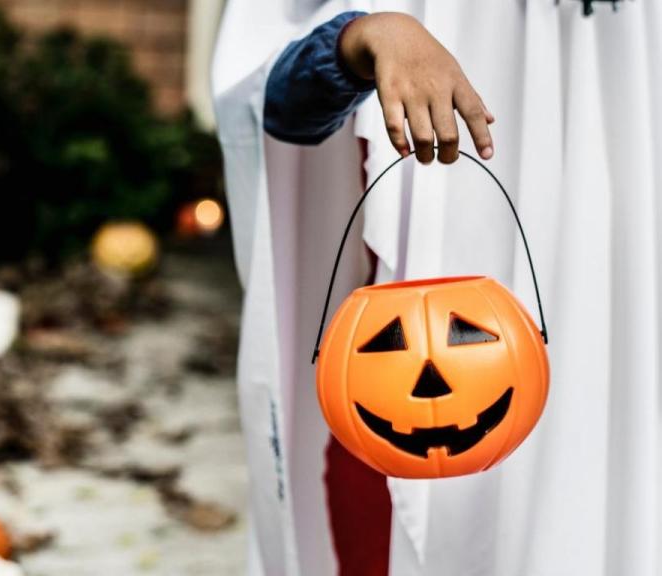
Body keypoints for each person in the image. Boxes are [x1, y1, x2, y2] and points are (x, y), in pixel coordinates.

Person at [212, 2, 662, 575]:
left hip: (619, 248)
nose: (435, 387)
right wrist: (364, 37)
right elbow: (267, 91)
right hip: (410, 246)